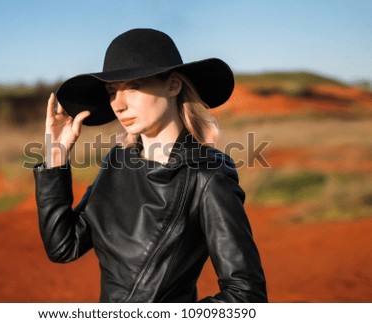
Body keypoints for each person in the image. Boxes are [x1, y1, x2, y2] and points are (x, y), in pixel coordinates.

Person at [34, 28, 267, 302]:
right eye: (112, 91)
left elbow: (246, 296)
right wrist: (57, 156)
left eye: (133, 86)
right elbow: (64, 246)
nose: (118, 105)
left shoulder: (207, 177)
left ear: (173, 85)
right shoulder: (118, 163)